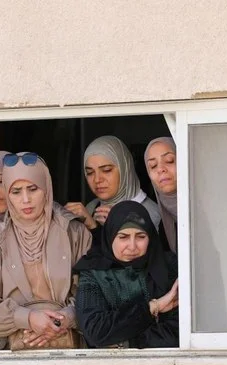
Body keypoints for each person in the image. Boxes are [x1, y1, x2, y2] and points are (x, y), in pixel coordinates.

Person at [0, 152, 93, 348]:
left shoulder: (73, 232)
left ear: (47, 188)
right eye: (16, 192)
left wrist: (65, 318)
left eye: (32, 189)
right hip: (13, 357)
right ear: (7, 192)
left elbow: (94, 291)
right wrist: (28, 318)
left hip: (71, 353)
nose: (25, 199)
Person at [74, 201, 179, 348]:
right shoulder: (94, 272)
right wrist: (154, 307)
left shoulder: (169, 266)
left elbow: (177, 332)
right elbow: (95, 331)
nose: (132, 246)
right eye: (123, 237)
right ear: (110, 236)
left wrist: (126, 342)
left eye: (140, 236)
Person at [65, 135, 161, 231]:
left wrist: (96, 228)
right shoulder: (91, 208)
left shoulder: (151, 213)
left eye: (106, 170)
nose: (97, 179)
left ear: (125, 169)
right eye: (90, 173)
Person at [144, 137, 177, 253]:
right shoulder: (160, 222)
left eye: (169, 161)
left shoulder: (208, 209)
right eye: (153, 166)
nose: (161, 169)